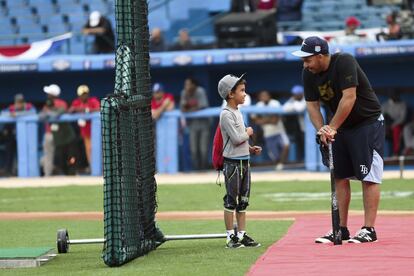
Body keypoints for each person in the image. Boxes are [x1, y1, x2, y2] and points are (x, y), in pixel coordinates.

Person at [292, 36, 384, 243]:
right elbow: (312, 105)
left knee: (368, 175)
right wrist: (322, 129)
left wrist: (332, 127)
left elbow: (349, 97)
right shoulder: (308, 74)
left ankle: (369, 229)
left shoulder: (344, 61)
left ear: (320, 55)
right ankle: (340, 228)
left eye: (307, 60)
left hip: (366, 122)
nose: (305, 65)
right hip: (340, 127)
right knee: (340, 176)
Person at [217, 73, 262, 248]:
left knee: (243, 200)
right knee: (231, 200)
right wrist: (248, 133)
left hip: (244, 161)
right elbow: (236, 138)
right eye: (242, 91)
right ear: (230, 94)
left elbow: (239, 140)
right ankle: (230, 237)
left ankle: (242, 235)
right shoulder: (226, 114)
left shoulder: (237, 112)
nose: (245, 94)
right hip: (233, 163)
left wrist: (250, 148)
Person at [0, 94, 36, 176]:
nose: (18, 104)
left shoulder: (29, 107)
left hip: (26, 137)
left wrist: (18, 114)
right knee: (9, 152)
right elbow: (2, 113)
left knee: (25, 154)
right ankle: (9, 171)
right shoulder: (12, 108)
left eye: (20, 102)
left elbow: (33, 112)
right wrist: (10, 114)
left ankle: (25, 172)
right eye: (17, 102)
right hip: (12, 136)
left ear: (23, 102)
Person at [254, 90, 289, 170]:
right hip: (268, 133)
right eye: (262, 96)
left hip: (279, 131)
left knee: (286, 146)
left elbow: (275, 121)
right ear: (259, 98)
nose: (264, 97)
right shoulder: (258, 105)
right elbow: (255, 120)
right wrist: (268, 119)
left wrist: (262, 120)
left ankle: (281, 164)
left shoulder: (275, 103)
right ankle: (279, 165)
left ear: (269, 96)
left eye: (265, 95)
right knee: (274, 155)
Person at [179, 77, 210, 170]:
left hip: (204, 124)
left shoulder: (200, 91)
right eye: (186, 85)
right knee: (193, 150)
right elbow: (182, 109)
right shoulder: (184, 93)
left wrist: (189, 109)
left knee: (203, 150)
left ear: (194, 85)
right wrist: (189, 109)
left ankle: (203, 170)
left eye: (188, 84)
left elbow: (202, 106)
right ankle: (196, 171)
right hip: (192, 124)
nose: (186, 87)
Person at [68, 85, 100, 169]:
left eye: (85, 94)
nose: (84, 96)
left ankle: (100, 169)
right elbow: (70, 110)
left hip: (96, 133)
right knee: (88, 151)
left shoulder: (93, 100)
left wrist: (86, 110)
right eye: (82, 94)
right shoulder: (77, 102)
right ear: (79, 95)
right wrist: (81, 109)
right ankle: (93, 169)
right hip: (85, 133)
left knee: (98, 150)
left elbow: (99, 109)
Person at [282, 85, 306, 162]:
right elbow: (285, 108)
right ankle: (302, 161)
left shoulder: (306, 98)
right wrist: (293, 102)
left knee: (309, 146)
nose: (296, 95)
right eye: (295, 94)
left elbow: (300, 109)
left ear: (302, 93)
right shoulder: (294, 99)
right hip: (301, 128)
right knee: (301, 145)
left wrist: (293, 103)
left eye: (298, 94)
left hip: (311, 128)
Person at [382, 91, 407, 156]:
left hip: (397, 125)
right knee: (377, 128)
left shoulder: (402, 104)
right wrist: (386, 125)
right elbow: (380, 116)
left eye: (395, 96)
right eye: (392, 96)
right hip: (387, 125)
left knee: (397, 129)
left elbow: (402, 118)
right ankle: (377, 153)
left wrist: (393, 125)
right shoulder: (386, 104)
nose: (394, 97)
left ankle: (396, 152)